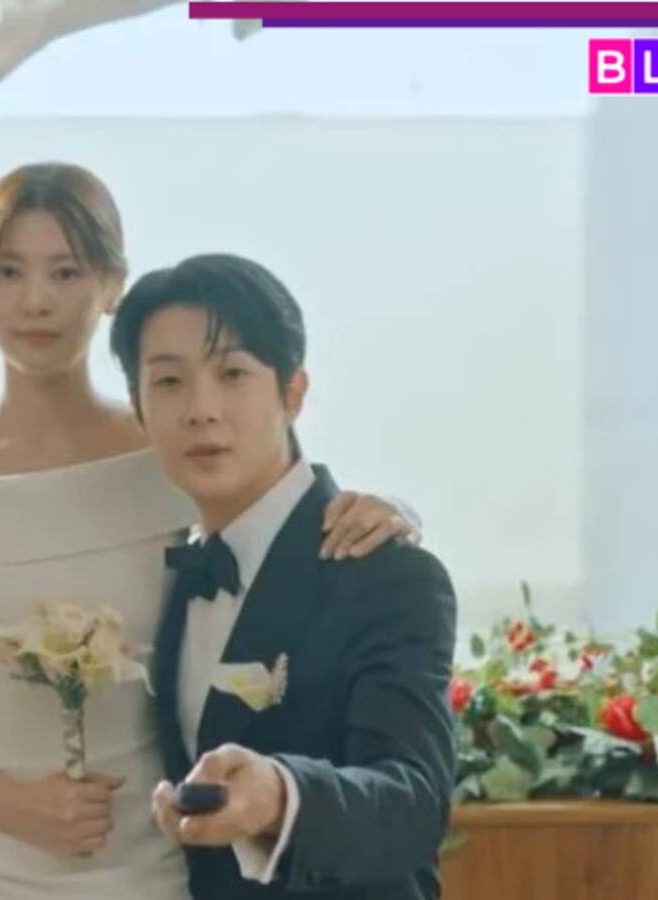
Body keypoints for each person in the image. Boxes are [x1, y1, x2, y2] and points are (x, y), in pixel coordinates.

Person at [0, 163, 419, 900]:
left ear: (112, 285)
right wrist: (14, 804)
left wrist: (393, 511)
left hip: (153, 861)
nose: (36, 300)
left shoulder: (168, 450)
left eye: (66, 271)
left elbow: (278, 520)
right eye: (7, 271)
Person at [108, 254, 456, 899]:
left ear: (293, 393)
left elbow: (413, 803)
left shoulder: (387, 572)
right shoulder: (172, 573)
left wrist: (280, 796)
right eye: (169, 381)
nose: (202, 410)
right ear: (138, 410)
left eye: (233, 374)